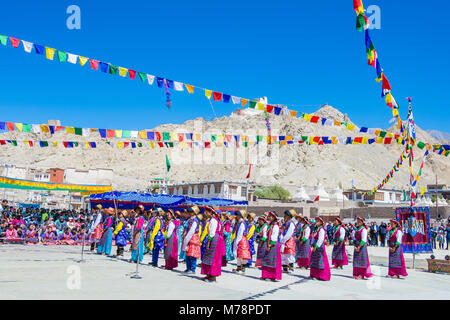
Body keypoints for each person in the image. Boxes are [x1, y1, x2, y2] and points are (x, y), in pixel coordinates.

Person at [201, 206, 224, 282]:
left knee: (213, 258)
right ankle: (209, 274)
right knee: (209, 257)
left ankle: (212, 277)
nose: (205, 213)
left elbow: (212, 233)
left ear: (211, 212)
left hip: (214, 240)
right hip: (215, 239)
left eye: (206, 212)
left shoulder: (213, 221)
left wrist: (208, 243)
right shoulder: (212, 220)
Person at [261, 211, 282, 281]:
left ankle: (271, 276)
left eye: (270, 216)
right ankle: (266, 275)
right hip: (268, 243)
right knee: (267, 260)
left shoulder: (275, 226)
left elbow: (274, 236)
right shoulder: (270, 225)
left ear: (273, 217)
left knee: (271, 261)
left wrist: (269, 245)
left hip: (272, 245)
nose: (268, 217)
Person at [310, 217, 331, 281]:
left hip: (319, 247)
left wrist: (316, 246)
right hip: (315, 246)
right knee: (314, 261)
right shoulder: (316, 229)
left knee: (320, 261)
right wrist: (312, 244)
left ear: (321, 222)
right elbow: (314, 237)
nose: (316, 222)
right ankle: (314, 274)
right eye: (316, 221)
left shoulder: (321, 230)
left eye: (318, 221)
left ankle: (321, 275)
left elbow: (321, 239)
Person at [181, 206, 201, 274]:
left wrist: (187, 237)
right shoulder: (190, 219)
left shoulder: (195, 220)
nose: (189, 213)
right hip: (188, 237)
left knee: (192, 254)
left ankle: (192, 269)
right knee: (188, 254)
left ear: (194, 213)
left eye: (191, 212)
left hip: (193, 237)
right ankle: (188, 268)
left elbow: (192, 231)